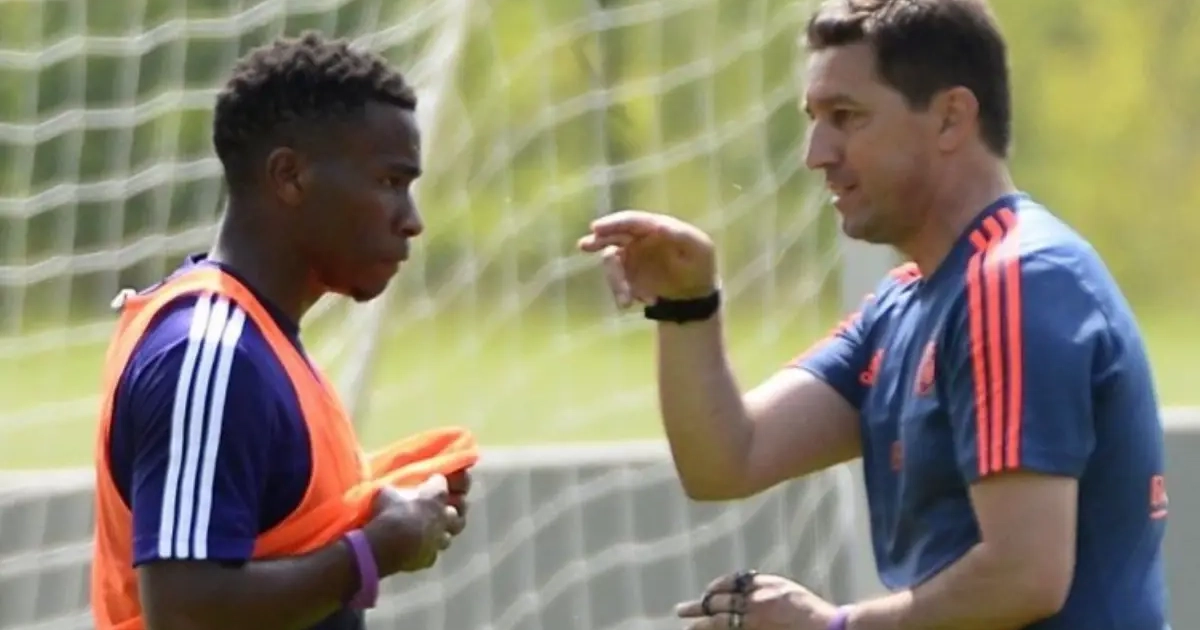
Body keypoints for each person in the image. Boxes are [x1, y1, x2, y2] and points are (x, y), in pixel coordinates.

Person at [578, 0, 1170, 629]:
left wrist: (834, 627)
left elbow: (1024, 574)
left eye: (846, 117)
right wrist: (686, 304)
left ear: (950, 118)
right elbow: (726, 460)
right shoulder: (905, 302)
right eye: (814, 120)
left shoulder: (1017, 281)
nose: (816, 153)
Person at [90, 32, 471, 630]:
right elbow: (185, 611)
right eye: (389, 182)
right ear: (290, 176)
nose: (412, 221)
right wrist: (373, 551)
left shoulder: (259, 342)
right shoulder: (209, 352)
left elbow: (266, 536)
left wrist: (375, 507)